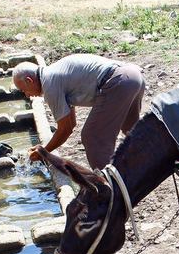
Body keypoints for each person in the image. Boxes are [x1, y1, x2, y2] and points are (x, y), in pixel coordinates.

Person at [12, 54, 145, 169]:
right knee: (132, 130)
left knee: (92, 136)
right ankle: (146, 166)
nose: (27, 95)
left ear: (29, 81)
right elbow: (71, 124)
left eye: (23, 90)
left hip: (119, 82)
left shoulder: (49, 85)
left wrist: (44, 152)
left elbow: (65, 129)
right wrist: (45, 150)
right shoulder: (54, 73)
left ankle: (110, 187)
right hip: (132, 76)